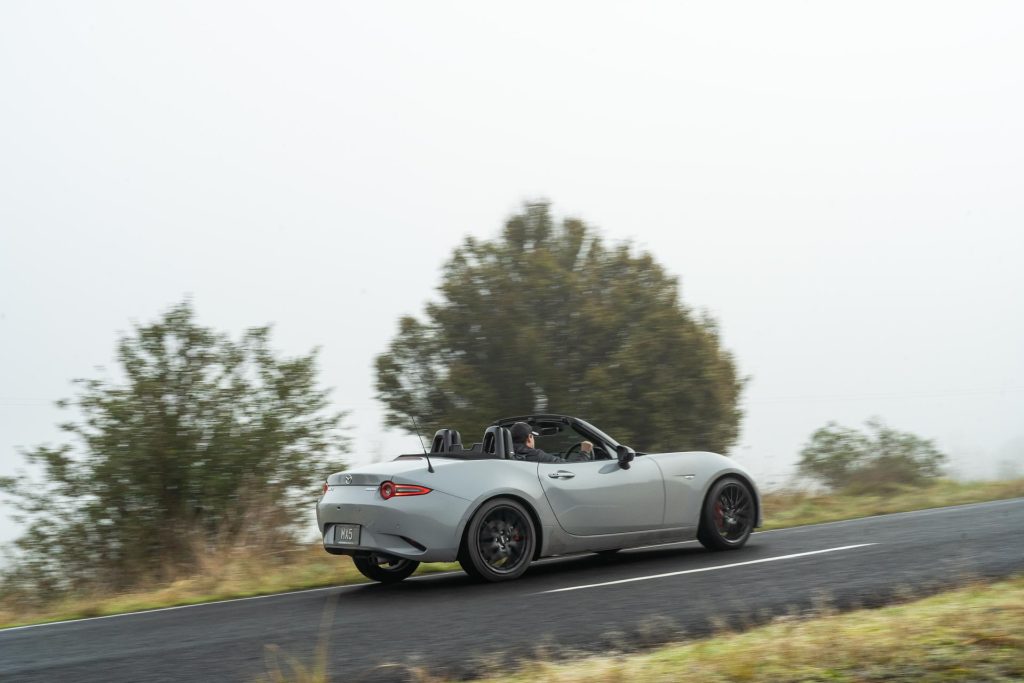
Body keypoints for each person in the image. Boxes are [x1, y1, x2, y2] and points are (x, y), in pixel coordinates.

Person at [509, 422, 593, 463]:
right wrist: (585, 453)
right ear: (529, 438)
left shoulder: (506, 455)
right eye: (533, 436)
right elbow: (572, 467)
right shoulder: (535, 455)